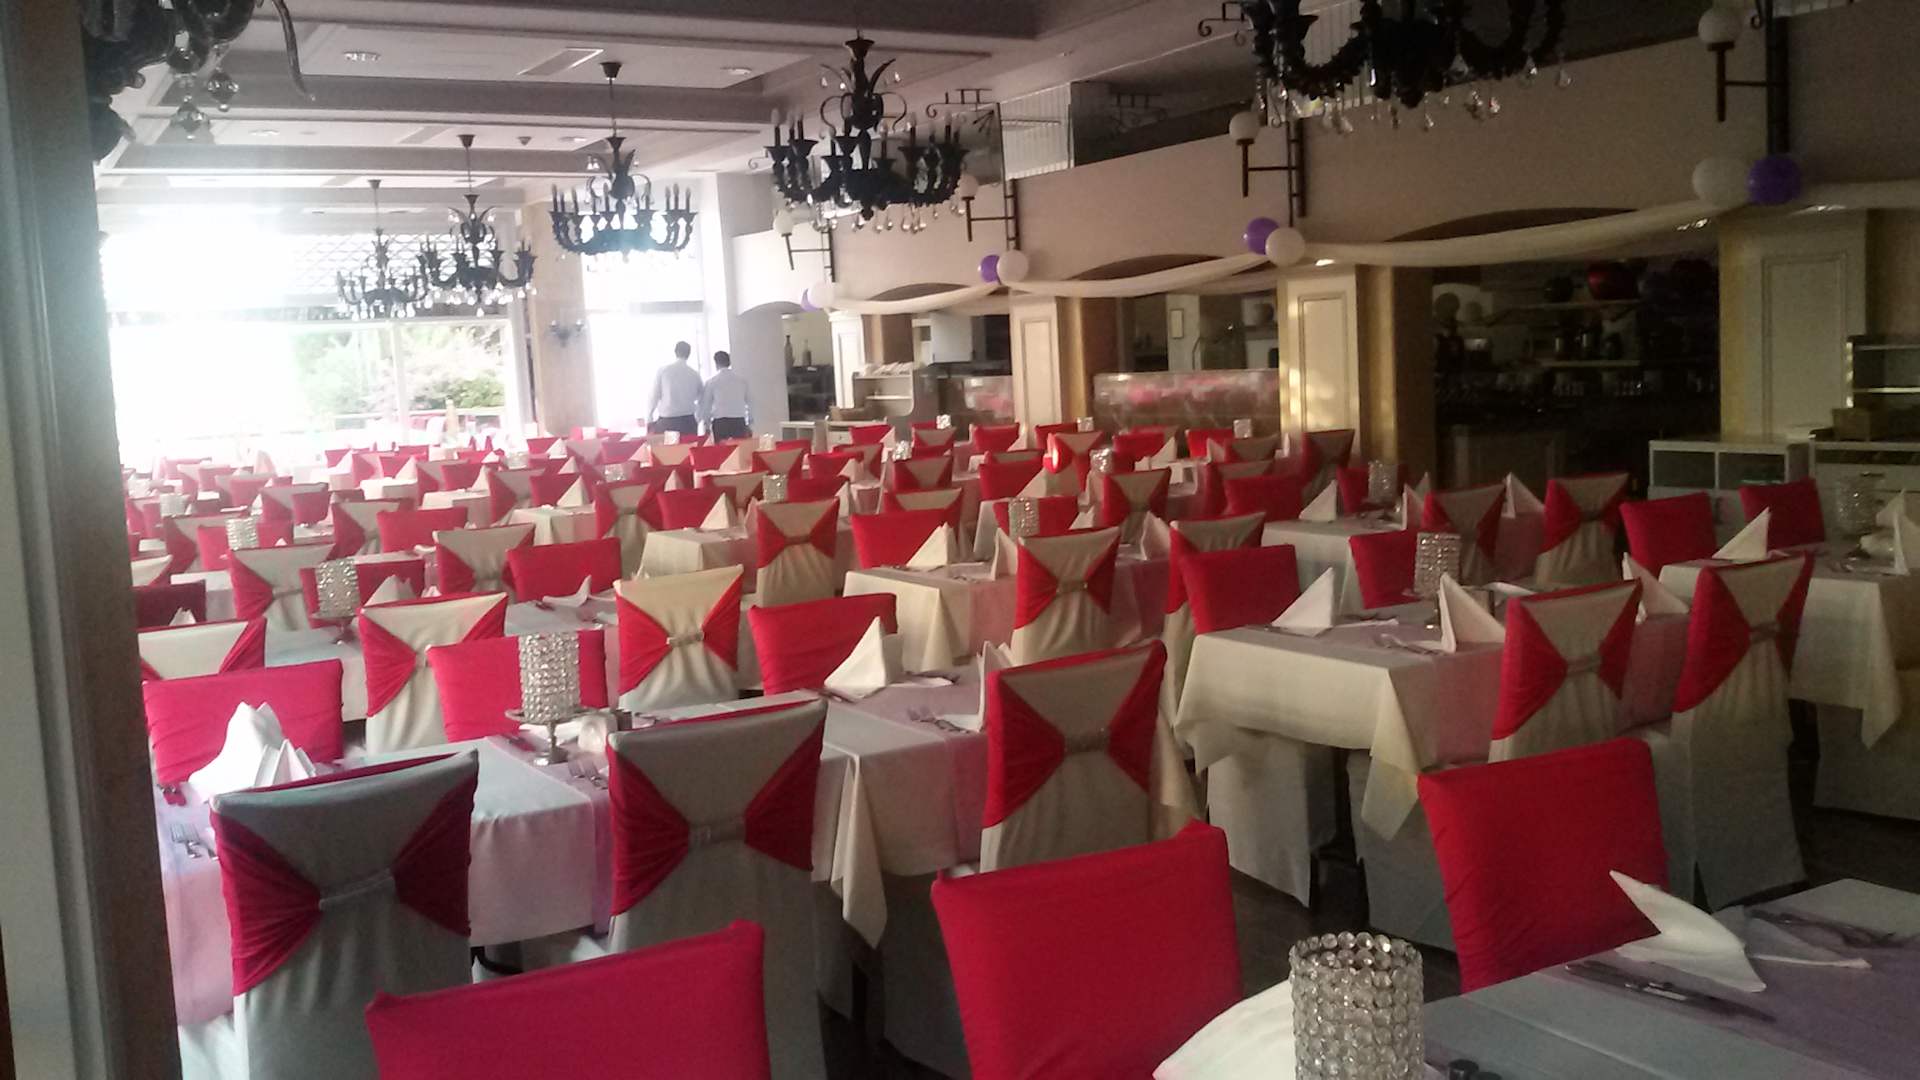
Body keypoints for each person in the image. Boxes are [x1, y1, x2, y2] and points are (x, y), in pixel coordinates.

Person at [647, 341, 703, 437]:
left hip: (667, 422)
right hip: (688, 421)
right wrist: (699, 418)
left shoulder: (663, 371)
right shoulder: (694, 374)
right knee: (689, 446)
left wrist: (649, 416)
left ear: (675, 352)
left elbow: (654, 395)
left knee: (668, 447)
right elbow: (701, 397)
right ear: (689, 354)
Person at [700, 350, 751, 441]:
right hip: (738, 421)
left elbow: (706, 405)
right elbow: (750, 402)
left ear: (716, 363)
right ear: (729, 362)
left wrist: (706, 424)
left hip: (720, 422)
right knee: (739, 448)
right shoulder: (741, 381)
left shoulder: (711, 382)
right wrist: (750, 423)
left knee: (722, 449)